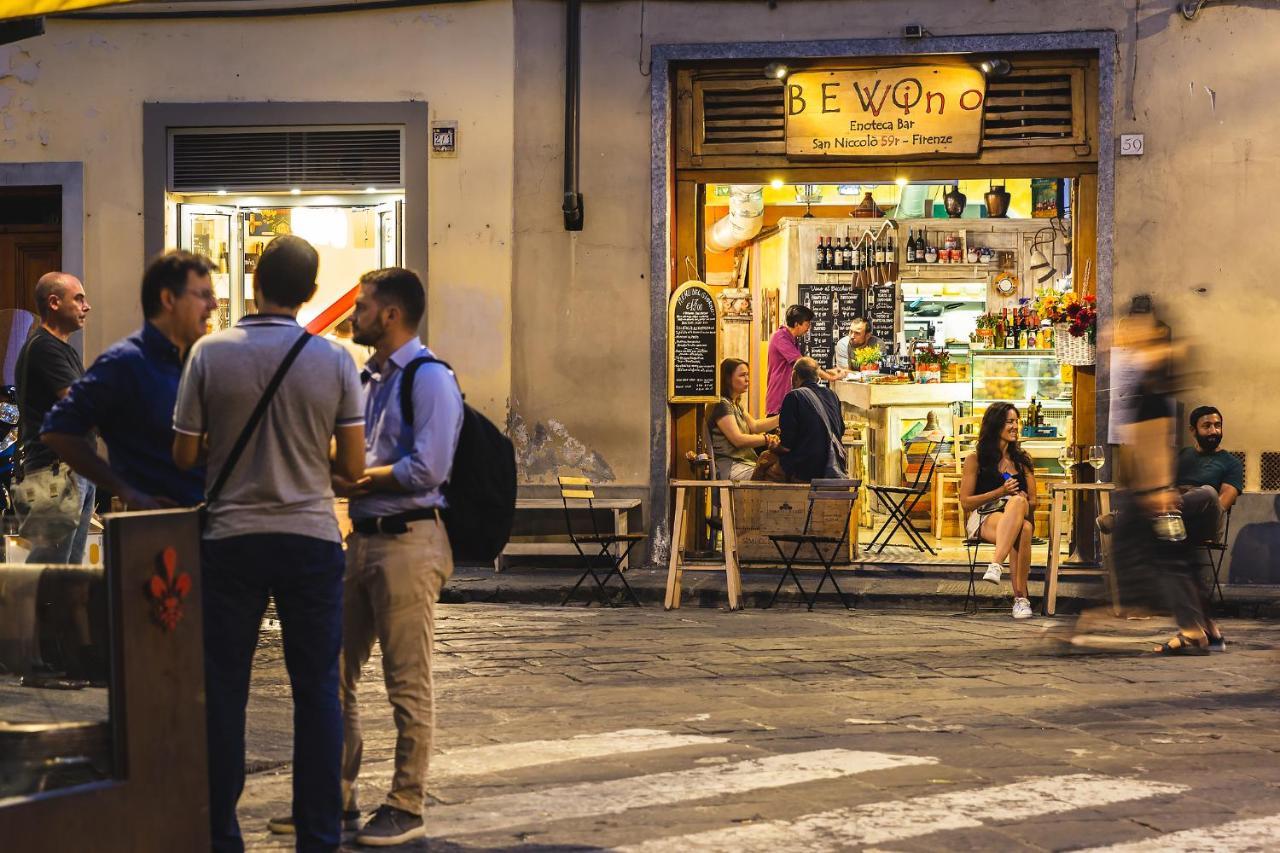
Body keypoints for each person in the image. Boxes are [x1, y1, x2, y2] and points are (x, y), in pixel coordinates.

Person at [174, 235, 365, 853]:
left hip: (231, 538)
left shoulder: (209, 352)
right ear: (311, 293)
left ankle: (219, 831)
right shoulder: (333, 361)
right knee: (316, 689)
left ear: (253, 282)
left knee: (224, 685)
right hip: (310, 538)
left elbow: (184, 453)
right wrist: (309, 455)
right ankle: (317, 832)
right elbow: (351, 470)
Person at [336, 268, 462, 846]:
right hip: (361, 537)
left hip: (411, 539)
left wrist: (360, 479)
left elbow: (428, 468)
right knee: (331, 668)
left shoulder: (430, 377)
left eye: (361, 306)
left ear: (389, 314)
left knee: (405, 678)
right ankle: (337, 791)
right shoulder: (367, 377)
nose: (353, 315)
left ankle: (406, 804)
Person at [42, 251, 218, 510]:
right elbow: (57, 430)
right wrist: (125, 490)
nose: (213, 305)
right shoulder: (124, 363)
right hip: (160, 528)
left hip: (210, 519)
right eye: (203, 295)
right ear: (168, 299)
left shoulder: (196, 360)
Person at [1108, 298, 1220, 654]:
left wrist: (1157, 488)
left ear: (1153, 331)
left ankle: (1193, 632)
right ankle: (1207, 629)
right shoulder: (1154, 370)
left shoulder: (1154, 375)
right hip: (1153, 490)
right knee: (1179, 559)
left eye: (1132, 327)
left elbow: (1155, 436)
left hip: (1152, 492)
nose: (1123, 333)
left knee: (1168, 561)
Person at [959, 402, 1037, 620]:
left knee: (1022, 515)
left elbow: (1034, 501)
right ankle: (1021, 599)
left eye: (1016, 422)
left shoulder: (1022, 461)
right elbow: (965, 502)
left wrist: (1020, 499)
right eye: (1009, 422)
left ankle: (996, 565)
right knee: (1023, 527)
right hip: (985, 515)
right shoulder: (976, 459)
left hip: (1015, 515)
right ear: (995, 425)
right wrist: (1000, 491)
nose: (1015, 426)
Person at [765, 305, 847, 415]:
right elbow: (805, 365)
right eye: (807, 324)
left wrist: (827, 371)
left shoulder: (792, 339)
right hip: (779, 398)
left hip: (790, 397)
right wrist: (831, 377)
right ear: (796, 324)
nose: (809, 328)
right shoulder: (780, 337)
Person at [1176, 405, 1242, 540]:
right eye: (1207, 426)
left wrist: (1186, 495)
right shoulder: (1183, 455)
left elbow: (1220, 506)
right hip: (1177, 522)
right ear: (1193, 430)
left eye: (1217, 425)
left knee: (1208, 493)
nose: (1214, 431)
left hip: (1206, 524)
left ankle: (1160, 516)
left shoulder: (1232, 463)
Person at [708, 358, 778, 481]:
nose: (747, 379)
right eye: (742, 375)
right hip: (730, 466)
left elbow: (755, 426)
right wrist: (767, 439)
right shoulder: (722, 404)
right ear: (728, 378)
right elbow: (738, 439)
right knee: (775, 474)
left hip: (745, 463)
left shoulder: (735, 403)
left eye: (747, 375)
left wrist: (781, 417)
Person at [777, 357, 846, 482]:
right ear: (817, 377)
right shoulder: (832, 395)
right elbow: (841, 431)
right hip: (834, 467)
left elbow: (786, 446)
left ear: (794, 375)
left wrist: (773, 446)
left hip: (804, 471)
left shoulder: (793, 397)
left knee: (765, 462)